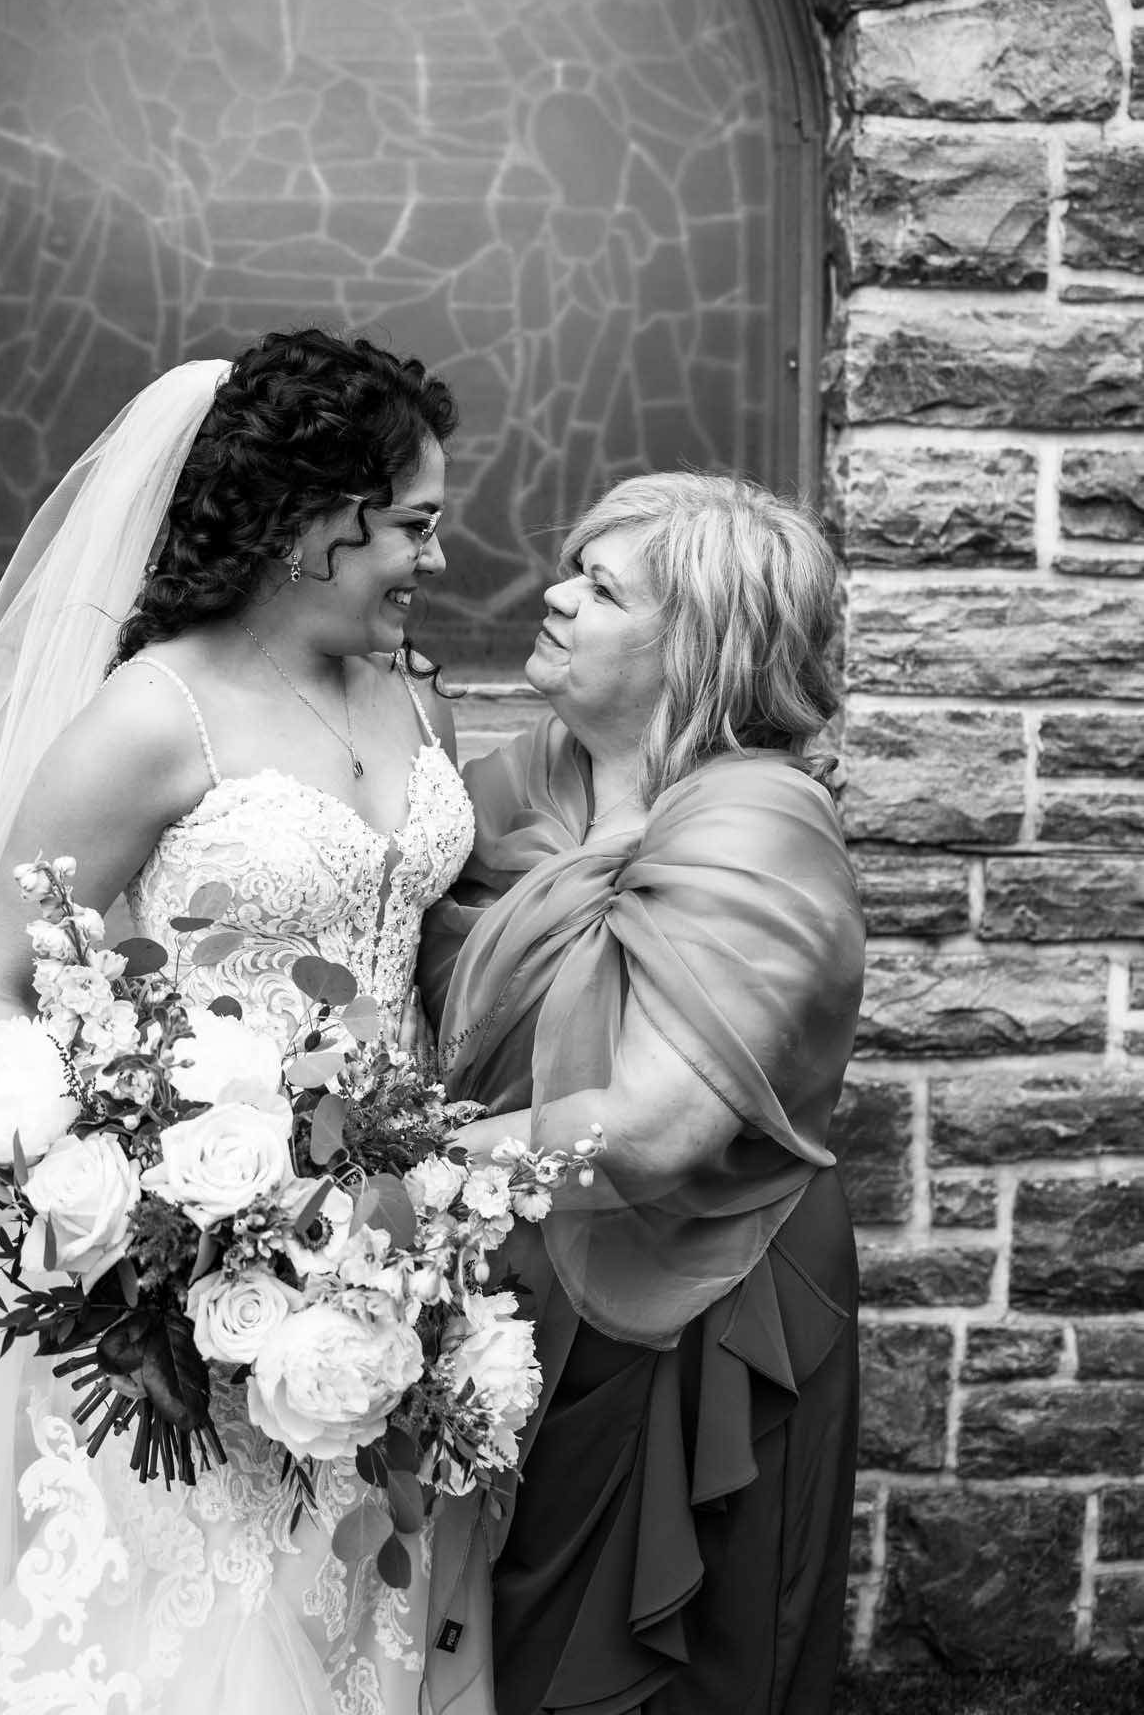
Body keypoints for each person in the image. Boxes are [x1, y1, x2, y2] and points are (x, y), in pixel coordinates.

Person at [0, 327, 477, 1715]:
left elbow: (418, 958)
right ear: (316, 521)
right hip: (189, 1269)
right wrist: (129, 1191)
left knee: (354, 1602)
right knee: (180, 1624)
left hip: (395, 1248)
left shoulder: (414, 694)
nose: (436, 556)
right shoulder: (149, 716)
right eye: (412, 523)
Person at [419, 470, 866, 1715]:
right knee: (505, 1633)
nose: (552, 594)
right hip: (525, 1266)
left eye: (601, 586)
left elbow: (659, 1134)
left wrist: (401, 1175)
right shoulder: (544, 769)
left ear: (700, 645)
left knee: (677, 1660)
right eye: (573, 567)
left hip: (700, 1292)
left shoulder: (756, 817)